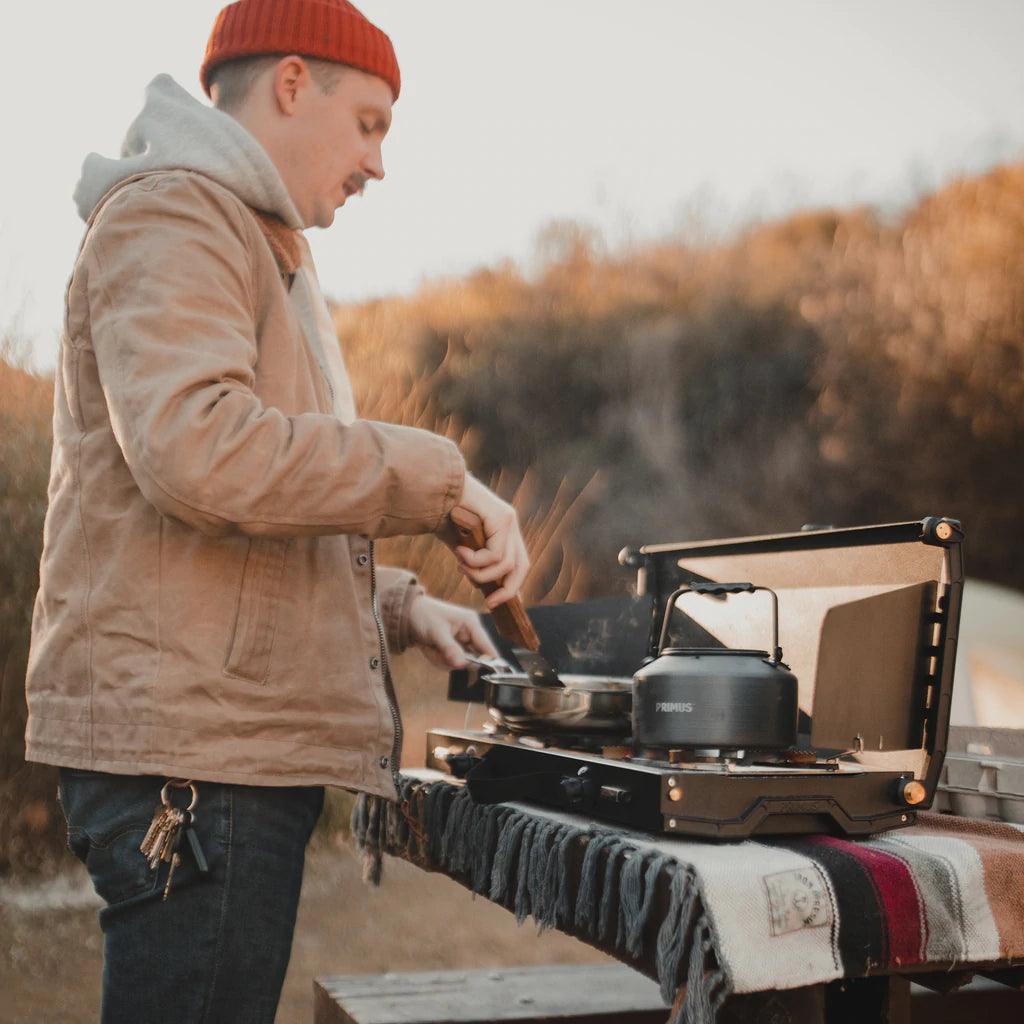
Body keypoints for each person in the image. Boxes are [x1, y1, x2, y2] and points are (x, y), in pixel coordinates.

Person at [22, 2, 530, 1020]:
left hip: (216, 753)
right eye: (371, 123)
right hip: (198, 768)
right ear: (292, 84)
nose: (378, 163)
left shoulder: (244, 236)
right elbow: (198, 449)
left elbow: (214, 527)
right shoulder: (176, 213)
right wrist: (438, 479)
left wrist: (395, 606)